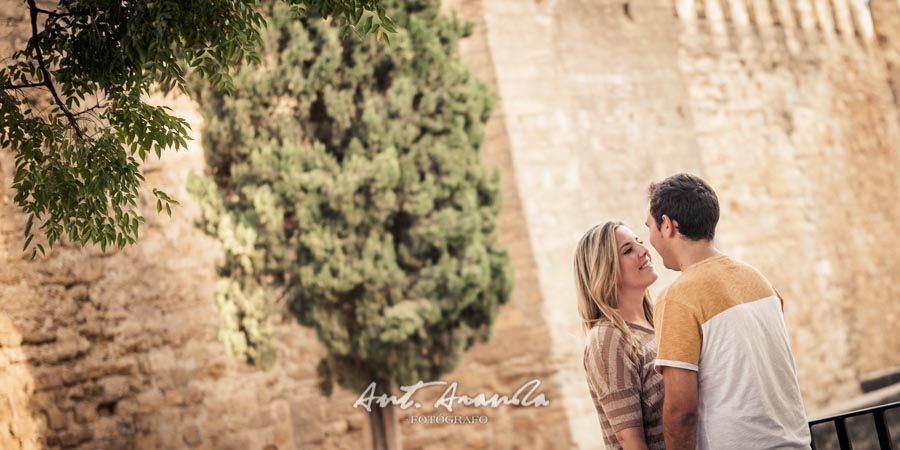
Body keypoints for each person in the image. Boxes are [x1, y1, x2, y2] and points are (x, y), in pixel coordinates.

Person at [646, 173, 810, 450]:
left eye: (649, 226)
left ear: (667, 225)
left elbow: (680, 411)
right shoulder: (759, 281)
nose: (649, 238)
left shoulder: (677, 297)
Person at [575, 221, 665, 450]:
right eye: (628, 250)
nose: (644, 251)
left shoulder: (656, 323)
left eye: (640, 242)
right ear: (606, 271)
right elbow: (631, 441)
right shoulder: (608, 339)